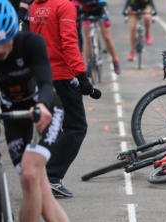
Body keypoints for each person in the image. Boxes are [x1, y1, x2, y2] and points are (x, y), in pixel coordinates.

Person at [0, 0, 97, 222]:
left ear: (14, 33)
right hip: (13, 115)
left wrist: (44, 106)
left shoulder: (30, 43)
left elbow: (47, 83)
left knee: (31, 175)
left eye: (5, 43)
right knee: (36, 186)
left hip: (45, 108)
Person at [29, 0, 98, 198]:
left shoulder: (35, 5)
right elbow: (69, 42)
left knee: (50, 128)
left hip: (41, 76)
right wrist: (82, 76)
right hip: (62, 77)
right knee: (76, 127)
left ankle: (42, 174)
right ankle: (51, 176)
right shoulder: (64, 6)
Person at [79, 0, 121, 74]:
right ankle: (87, 65)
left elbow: (103, 5)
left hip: (100, 9)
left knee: (107, 37)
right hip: (86, 11)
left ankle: (115, 60)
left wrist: (106, 19)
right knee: (87, 38)